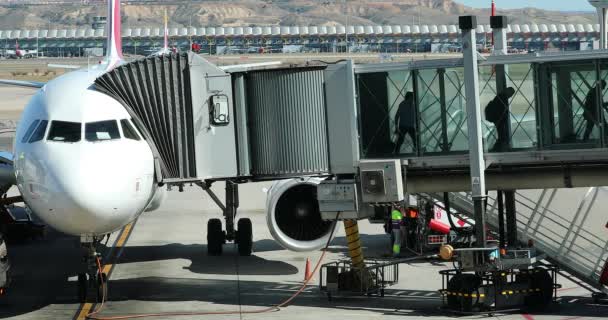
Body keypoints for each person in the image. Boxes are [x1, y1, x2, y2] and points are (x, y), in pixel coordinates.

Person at [485, 87, 516, 152]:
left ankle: (498, 148)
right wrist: (500, 120)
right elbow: (501, 111)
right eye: (511, 94)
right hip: (499, 120)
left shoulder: (500, 97)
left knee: (501, 135)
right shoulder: (502, 98)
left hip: (497, 119)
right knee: (502, 136)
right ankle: (497, 149)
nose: (510, 96)